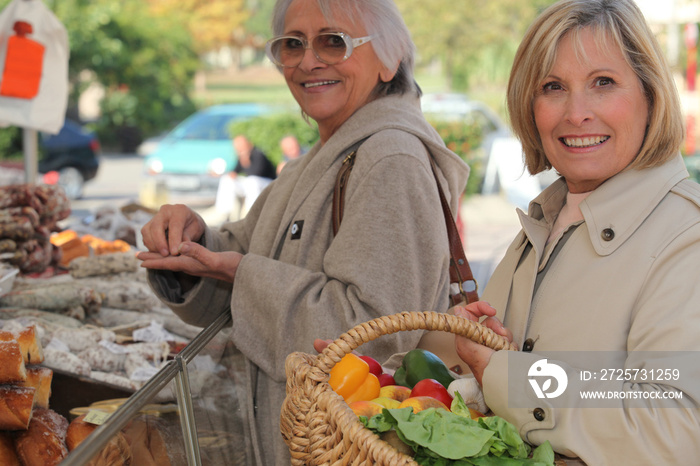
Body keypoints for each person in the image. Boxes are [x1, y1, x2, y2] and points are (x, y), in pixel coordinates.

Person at [137, 0, 470, 463]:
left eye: (334, 41)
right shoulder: (314, 162)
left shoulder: (391, 158)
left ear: (390, 59)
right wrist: (193, 243)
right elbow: (246, 255)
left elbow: (371, 336)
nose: (309, 61)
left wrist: (239, 272)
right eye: (292, 44)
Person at [433, 0, 700, 464]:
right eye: (553, 87)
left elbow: (674, 427)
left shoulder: (686, 239)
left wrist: (507, 376)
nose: (576, 113)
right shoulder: (545, 222)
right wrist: (366, 368)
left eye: (603, 83)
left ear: (650, 94)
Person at [213, 135, 277, 221]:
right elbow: (235, 172)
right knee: (227, 180)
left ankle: (250, 215)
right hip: (251, 184)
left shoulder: (258, 154)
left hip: (266, 184)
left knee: (251, 181)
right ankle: (225, 214)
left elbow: (256, 173)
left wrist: (246, 160)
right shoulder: (241, 156)